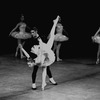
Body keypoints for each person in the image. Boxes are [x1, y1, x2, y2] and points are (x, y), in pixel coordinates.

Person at [20, 16, 60, 90]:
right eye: (31, 32)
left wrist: (22, 49)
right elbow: (29, 51)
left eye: (33, 32)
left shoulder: (40, 37)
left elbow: (41, 43)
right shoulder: (31, 39)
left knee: (46, 67)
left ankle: (50, 79)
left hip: (44, 50)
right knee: (37, 69)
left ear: (36, 32)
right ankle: (34, 84)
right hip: (36, 54)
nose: (31, 34)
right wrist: (23, 49)